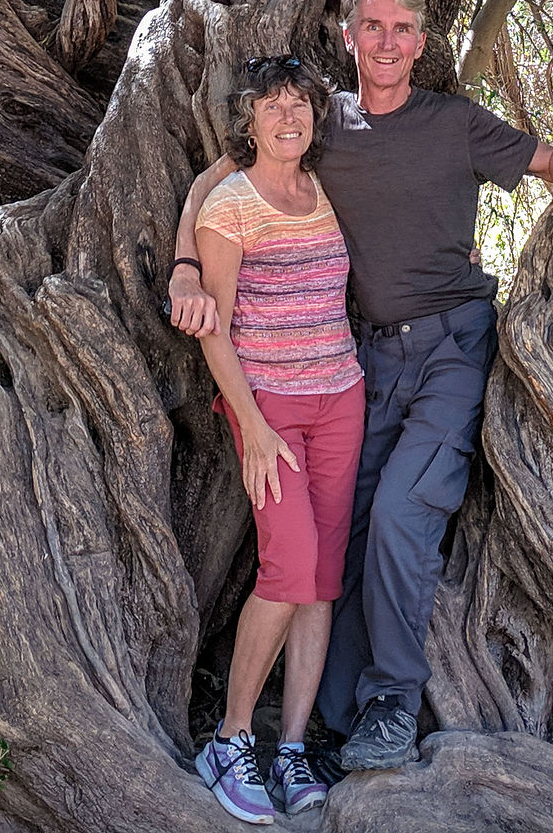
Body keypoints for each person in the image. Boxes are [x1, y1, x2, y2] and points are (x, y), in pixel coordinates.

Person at [171, 0, 553, 774]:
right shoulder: (323, 122)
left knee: (405, 517)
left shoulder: (455, 124)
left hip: (452, 347)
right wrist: (182, 271)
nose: (386, 42)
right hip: (364, 358)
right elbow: (216, 181)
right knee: (339, 538)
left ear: (421, 41)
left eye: (401, 28)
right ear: (348, 39)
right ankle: (321, 724)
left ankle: (391, 704)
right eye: (370, 26)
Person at [186, 55, 364, 824]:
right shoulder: (230, 203)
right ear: (248, 119)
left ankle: (290, 748)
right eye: (272, 106)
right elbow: (213, 330)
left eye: (300, 103)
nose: (288, 117)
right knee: (288, 568)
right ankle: (229, 740)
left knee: (321, 579)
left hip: (341, 400)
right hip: (271, 410)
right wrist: (251, 425)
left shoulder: (321, 187)